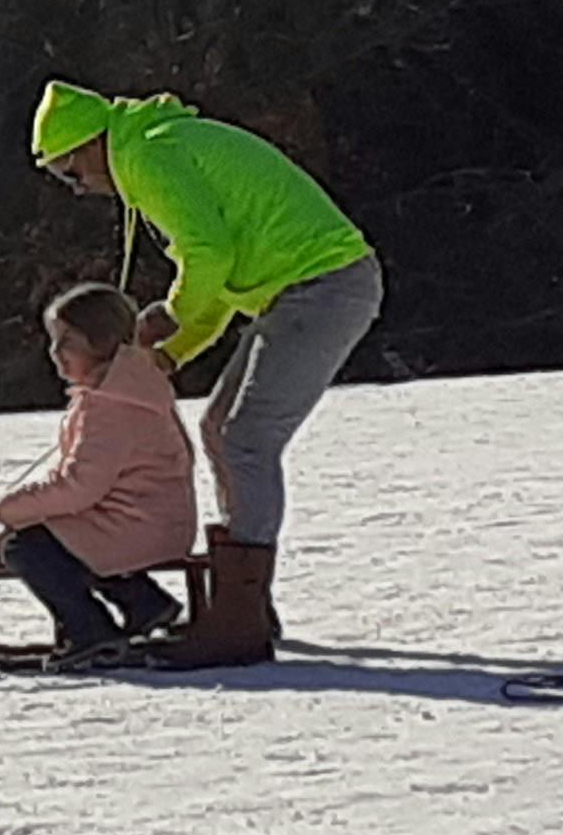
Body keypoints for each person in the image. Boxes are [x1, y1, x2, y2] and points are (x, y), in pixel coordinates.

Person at [27, 81, 381, 668]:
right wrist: (170, 355)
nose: (80, 187)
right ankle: (244, 606)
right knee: (220, 426)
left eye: (71, 173)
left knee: (245, 438)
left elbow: (207, 257)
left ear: (90, 146)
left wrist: (168, 317)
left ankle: (240, 619)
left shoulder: (147, 156)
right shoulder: (157, 146)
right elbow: (217, 273)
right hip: (298, 293)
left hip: (323, 288)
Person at [0, 283, 197, 664]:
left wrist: (11, 510)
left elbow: (79, 487)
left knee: (26, 548)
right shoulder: (121, 391)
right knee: (61, 540)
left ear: (101, 343)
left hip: (140, 525)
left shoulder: (111, 406)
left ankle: (89, 631)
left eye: (67, 343)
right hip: (148, 519)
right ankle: (144, 603)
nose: (54, 353)